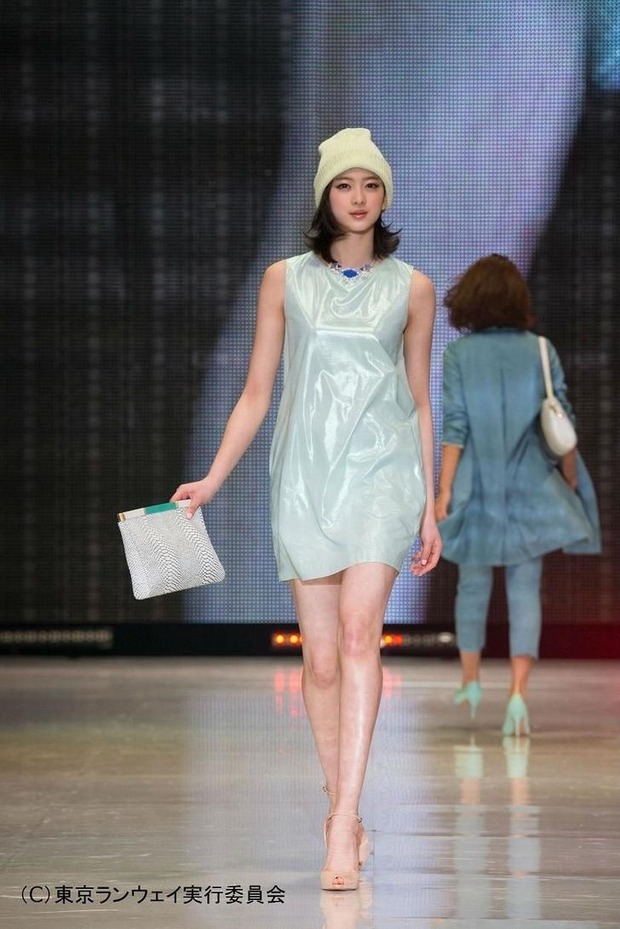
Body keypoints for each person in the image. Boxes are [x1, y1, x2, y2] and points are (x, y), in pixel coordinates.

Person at [172, 127, 442, 890]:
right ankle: (338, 808)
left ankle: (346, 819)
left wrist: (428, 506)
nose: (359, 198)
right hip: (304, 476)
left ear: (385, 196)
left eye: (371, 184)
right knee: (319, 659)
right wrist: (212, 479)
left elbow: (420, 399)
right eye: (344, 184)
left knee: (360, 634)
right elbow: (257, 392)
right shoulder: (283, 280)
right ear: (325, 195)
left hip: (383, 476)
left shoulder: (413, 288)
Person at [435, 254, 600, 736]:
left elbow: (456, 428)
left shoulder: (459, 355)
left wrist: (443, 490)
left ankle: (470, 681)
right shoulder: (541, 350)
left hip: (476, 486)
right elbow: (563, 422)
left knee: (472, 585)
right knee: (525, 590)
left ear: (470, 299)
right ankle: (518, 697)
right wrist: (568, 479)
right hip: (530, 485)